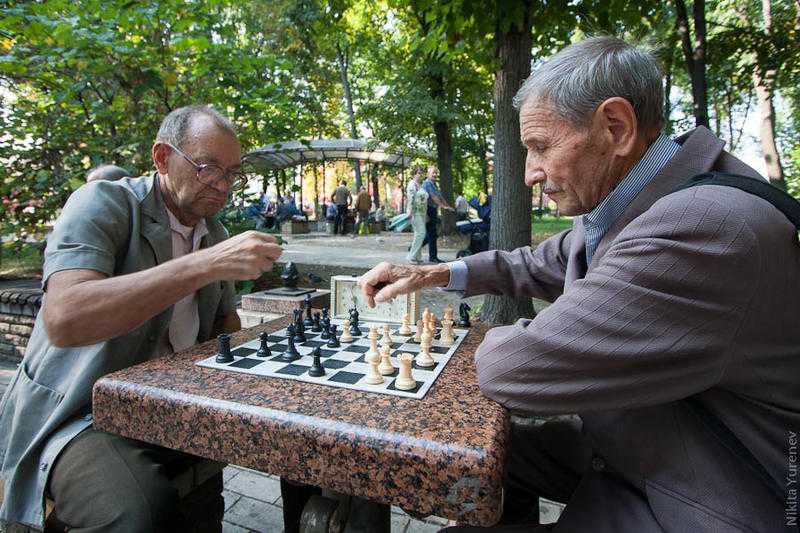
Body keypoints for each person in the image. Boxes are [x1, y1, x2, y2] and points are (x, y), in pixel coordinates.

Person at [359, 37, 799, 532]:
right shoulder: (641, 203)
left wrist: (483, 344)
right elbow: (538, 262)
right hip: (642, 441)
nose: (529, 174)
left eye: (541, 147)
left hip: (705, 499)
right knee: (457, 459)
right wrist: (432, 273)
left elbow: (514, 368)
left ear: (616, 127)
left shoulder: (702, 226)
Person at [0, 105, 283, 531]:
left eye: (232, 173)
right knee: (139, 514)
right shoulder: (103, 203)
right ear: (162, 158)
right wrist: (205, 264)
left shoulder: (215, 232)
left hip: (171, 403)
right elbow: (64, 317)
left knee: (297, 450)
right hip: (82, 412)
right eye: (208, 167)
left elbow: (224, 327)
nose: (222, 185)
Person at [421, 166, 453, 263]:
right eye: (433, 173)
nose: (435, 174)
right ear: (428, 174)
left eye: (436, 173)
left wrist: (447, 206)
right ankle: (433, 257)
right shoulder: (427, 183)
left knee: (432, 234)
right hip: (428, 210)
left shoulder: (434, 184)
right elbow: (434, 197)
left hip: (433, 210)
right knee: (432, 234)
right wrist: (443, 207)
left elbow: (440, 196)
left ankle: (416, 246)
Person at [405, 166, 428, 263]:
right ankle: (411, 256)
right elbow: (411, 198)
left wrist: (426, 214)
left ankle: (418, 256)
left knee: (418, 234)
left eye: (422, 173)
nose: (421, 174)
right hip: (415, 212)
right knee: (421, 233)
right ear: (414, 174)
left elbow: (423, 201)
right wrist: (410, 211)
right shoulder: (412, 185)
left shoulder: (420, 185)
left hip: (422, 213)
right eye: (418, 172)